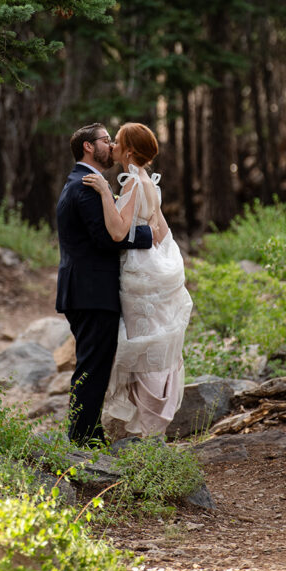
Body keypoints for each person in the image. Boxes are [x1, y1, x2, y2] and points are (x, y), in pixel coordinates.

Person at [81, 122, 192, 439]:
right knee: (152, 343)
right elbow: (159, 232)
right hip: (154, 269)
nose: (112, 146)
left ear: (128, 151)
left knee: (141, 346)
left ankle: (145, 427)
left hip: (139, 276)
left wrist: (104, 191)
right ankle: (151, 425)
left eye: (116, 142)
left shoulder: (131, 182)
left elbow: (117, 232)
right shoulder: (149, 182)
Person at [56, 122, 154, 446]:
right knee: (91, 367)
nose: (110, 145)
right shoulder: (84, 186)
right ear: (88, 146)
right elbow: (105, 237)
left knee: (95, 366)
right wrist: (149, 236)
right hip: (91, 292)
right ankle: (82, 440)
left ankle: (89, 433)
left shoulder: (87, 183)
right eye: (105, 140)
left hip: (89, 291)